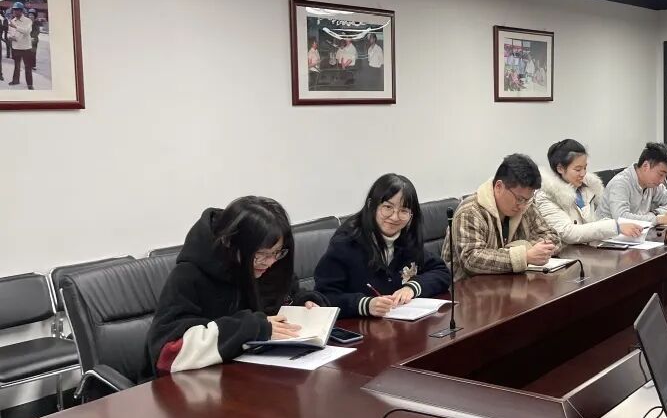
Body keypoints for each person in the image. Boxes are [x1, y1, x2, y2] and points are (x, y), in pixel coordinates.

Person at [148, 196, 328, 375]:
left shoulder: (272, 265)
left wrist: (302, 303)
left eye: (276, 253)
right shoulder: (189, 275)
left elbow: (287, 296)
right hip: (196, 383)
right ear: (229, 242)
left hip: (257, 372)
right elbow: (168, 353)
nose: (269, 262)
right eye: (260, 254)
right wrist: (251, 328)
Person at [315, 174, 450, 317]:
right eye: (387, 207)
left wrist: (412, 288)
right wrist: (365, 304)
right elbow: (323, 297)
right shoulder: (346, 242)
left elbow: (441, 272)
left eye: (404, 211)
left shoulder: (407, 238)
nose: (395, 217)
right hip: (359, 326)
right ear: (371, 205)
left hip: (401, 322)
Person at [444, 153, 561, 279]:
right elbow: (472, 260)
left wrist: (531, 252)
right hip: (467, 287)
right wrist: (524, 256)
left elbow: (553, 238)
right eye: (519, 199)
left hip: (508, 282)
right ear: (499, 187)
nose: (522, 206)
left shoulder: (526, 205)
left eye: (527, 200)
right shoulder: (470, 211)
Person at [535, 138, 643, 245]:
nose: (583, 174)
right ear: (560, 168)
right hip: (566, 252)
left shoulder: (588, 188)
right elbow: (568, 233)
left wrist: (618, 226)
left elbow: (593, 224)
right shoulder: (546, 196)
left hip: (588, 249)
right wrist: (615, 227)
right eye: (578, 169)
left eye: (585, 168)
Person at [596, 142, 667, 225]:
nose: (662, 181)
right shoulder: (620, 183)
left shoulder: (654, 184)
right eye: (660, 174)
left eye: (665, 176)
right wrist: (657, 219)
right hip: (609, 234)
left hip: (639, 232)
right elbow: (621, 218)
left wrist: (655, 213)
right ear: (645, 166)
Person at [6, 3, 33, 90]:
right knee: (16, 66)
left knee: (28, 67)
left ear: (21, 11)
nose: (14, 11)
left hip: (26, 48)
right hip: (16, 47)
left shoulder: (28, 21)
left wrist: (15, 27)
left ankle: (30, 85)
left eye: (16, 10)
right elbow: (10, 32)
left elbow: (27, 31)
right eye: (14, 9)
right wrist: (10, 37)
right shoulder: (12, 21)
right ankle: (15, 80)